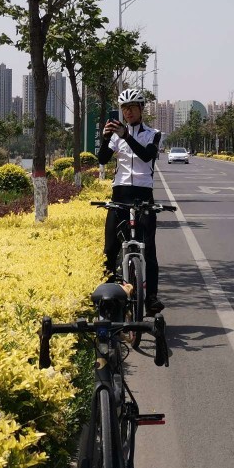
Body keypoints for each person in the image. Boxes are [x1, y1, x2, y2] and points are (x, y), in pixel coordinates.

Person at [97, 87, 164, 315]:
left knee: (149, 250)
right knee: (109, 248)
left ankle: (152, 297)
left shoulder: (152, 133)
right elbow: (102, 159)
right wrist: (106, 138)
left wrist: (126, 135)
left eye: (132, 108)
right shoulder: (117, 135)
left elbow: (147, 155)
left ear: (141, 109)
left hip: (143, 194)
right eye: (124, 108)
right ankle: (106, 300)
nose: (128, 112)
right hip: (120, 194)